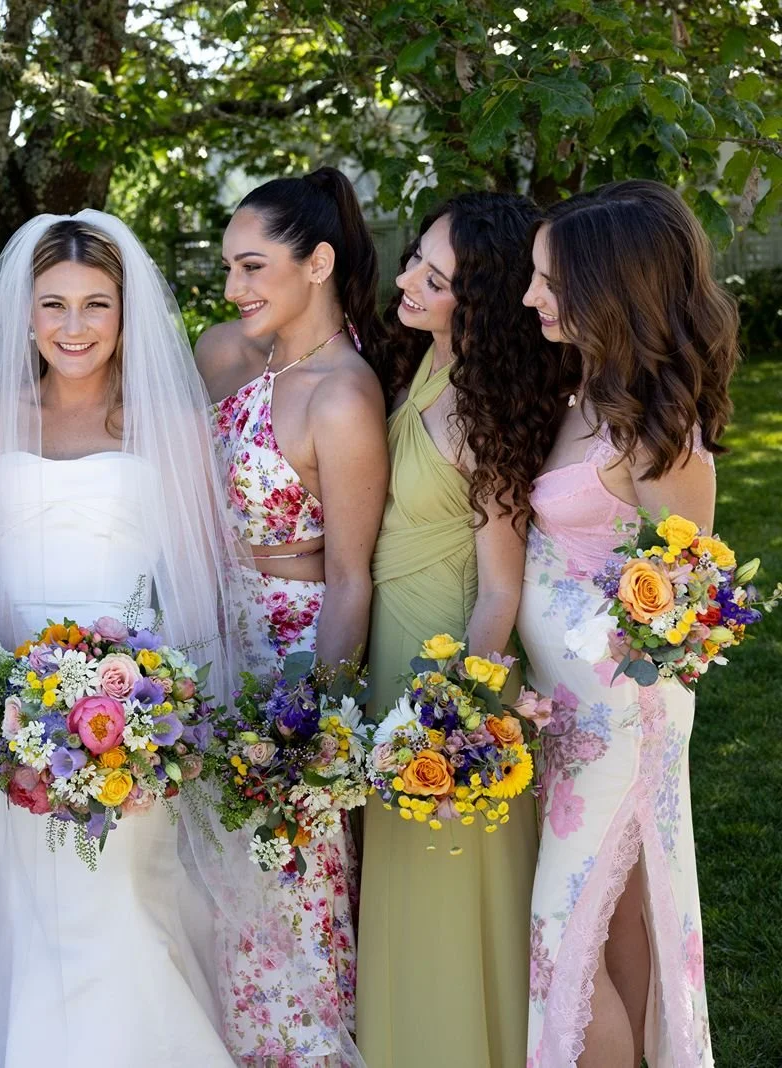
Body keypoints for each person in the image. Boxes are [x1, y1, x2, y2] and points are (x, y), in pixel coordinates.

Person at [0, 212, 239, 1066]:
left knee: (127, 916)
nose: (73, 327)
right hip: (12, 727)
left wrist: (150, 711)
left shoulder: (165, 427)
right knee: (31, 931)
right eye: (53, 304)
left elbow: (198, 594)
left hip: (133, 723)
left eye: (96, 305)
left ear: (128, 315)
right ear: (23, 316)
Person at [519, 181, 734, 1068]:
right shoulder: (579, 394)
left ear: (609, 290)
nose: (532, 297)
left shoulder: (659, 432)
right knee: (609, 929)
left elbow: (691, 600)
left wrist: (600, 652)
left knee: (562, 930)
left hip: (620, 721)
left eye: (548, 282)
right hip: (567, 717)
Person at [355, 193, 573, 1068]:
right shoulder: (419, 367)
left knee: (450, 891)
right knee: (399, 895)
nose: (406, 279)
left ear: (479, 299)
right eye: (414, 259)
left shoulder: (488, 407)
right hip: (389, 659)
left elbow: (499, 590)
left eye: (434, 277)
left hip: (445, 680)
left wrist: (455, 716)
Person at [195, 167, 386, 1064]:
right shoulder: (226, 355)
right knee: (211, 894)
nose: (233, 290)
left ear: (318, 264)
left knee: (290, 896)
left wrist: (307, 728)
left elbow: (350, 578)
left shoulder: (343, 395)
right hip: (212, 647)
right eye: (228, 269)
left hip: (291, 658)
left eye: (250, 267)